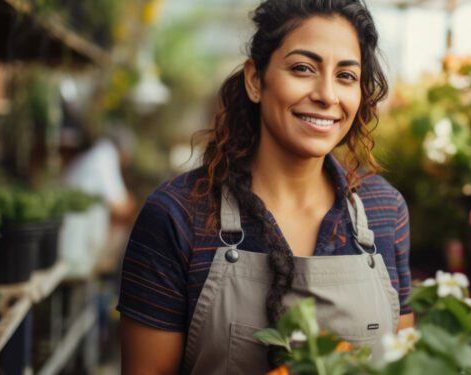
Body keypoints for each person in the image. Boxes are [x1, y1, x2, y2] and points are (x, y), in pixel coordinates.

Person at [117, 0, 413, 373]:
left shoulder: (385, 210)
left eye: (346, 76)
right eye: (303, 68)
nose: (327, 95)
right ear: (256, 80)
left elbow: (404, 362)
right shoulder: (179, 216)